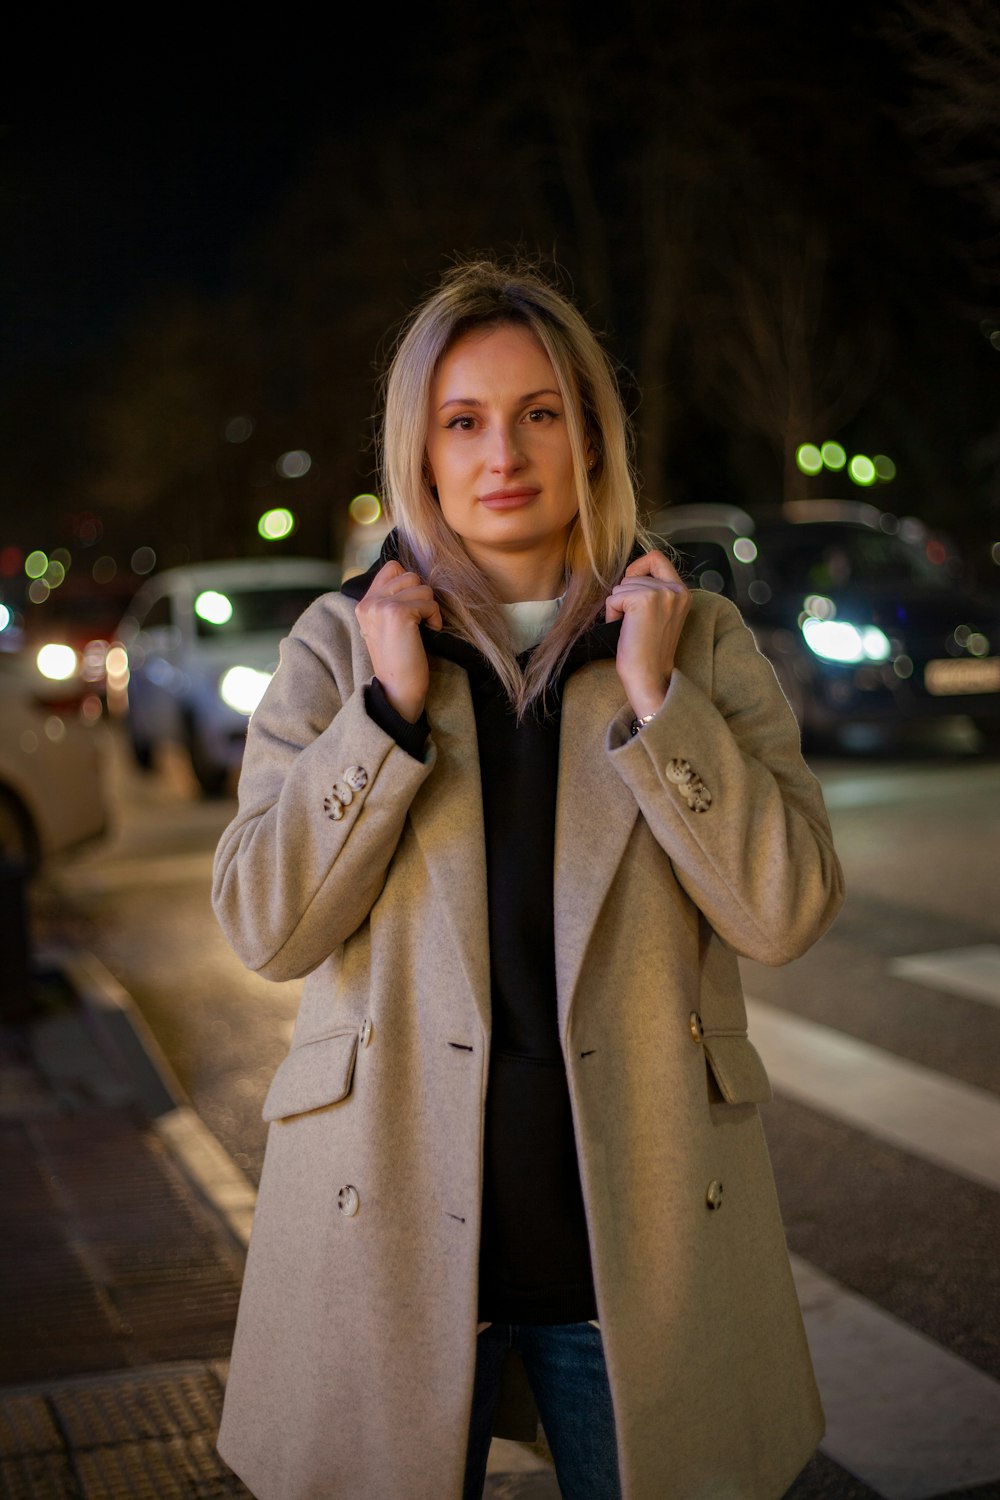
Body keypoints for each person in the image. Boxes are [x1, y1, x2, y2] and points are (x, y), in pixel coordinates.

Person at [212, 258, 844, 1500]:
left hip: (640, 1261)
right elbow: (266, 928)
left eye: (539, 412)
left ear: (592, 440)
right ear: (422, 453)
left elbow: (785, 911)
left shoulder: (694, 642)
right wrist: (382, 719)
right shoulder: (338, 648)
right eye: (463, 421)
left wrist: (663, 707)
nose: (504, 452)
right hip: (380, 1236)